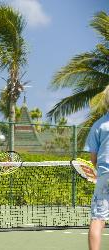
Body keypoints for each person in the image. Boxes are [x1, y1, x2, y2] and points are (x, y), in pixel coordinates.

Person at [85, 85, 109, 250]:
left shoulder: (99, 125)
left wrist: (99, 171)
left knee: (98, 219)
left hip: (105, 175)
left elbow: (93, 157)